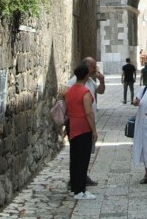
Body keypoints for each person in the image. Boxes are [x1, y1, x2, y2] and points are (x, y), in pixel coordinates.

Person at [67, 57, 105, 186]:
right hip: (81, 124)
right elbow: (86, 110)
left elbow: (100, 91)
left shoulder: (89, 81)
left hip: (82, 123)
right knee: (80, 154)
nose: (95, 69)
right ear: (87, 67)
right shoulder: (75, 84)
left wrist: (102, 81)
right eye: (93, 66)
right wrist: (93, 130)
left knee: (82, 153)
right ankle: (78, 182)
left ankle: (80, 178)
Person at [66, 64, 98, 200]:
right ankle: (80, 190)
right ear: (86, 76)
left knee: (74, 158)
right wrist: (94, 131)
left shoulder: (70, 91)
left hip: (73, 126)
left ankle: (74, 188)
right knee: (83, 160)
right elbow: (89, 113)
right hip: (83, 127)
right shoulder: (84, 92)